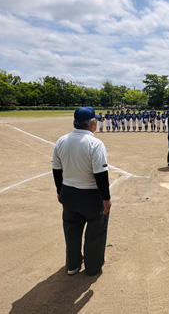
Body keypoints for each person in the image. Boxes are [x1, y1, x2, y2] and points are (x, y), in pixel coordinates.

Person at [51, 107, 111, 276]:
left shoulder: (61, 141)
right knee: (96, 231)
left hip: (68, 192)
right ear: (92, 123)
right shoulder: (95, 143)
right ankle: (93, 267)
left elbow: (56, 170)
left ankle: (73, 265)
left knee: (71, 229)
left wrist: (59, 190)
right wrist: (106, 198)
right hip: (91, 195)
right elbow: (101, 173)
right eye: (96, 120)